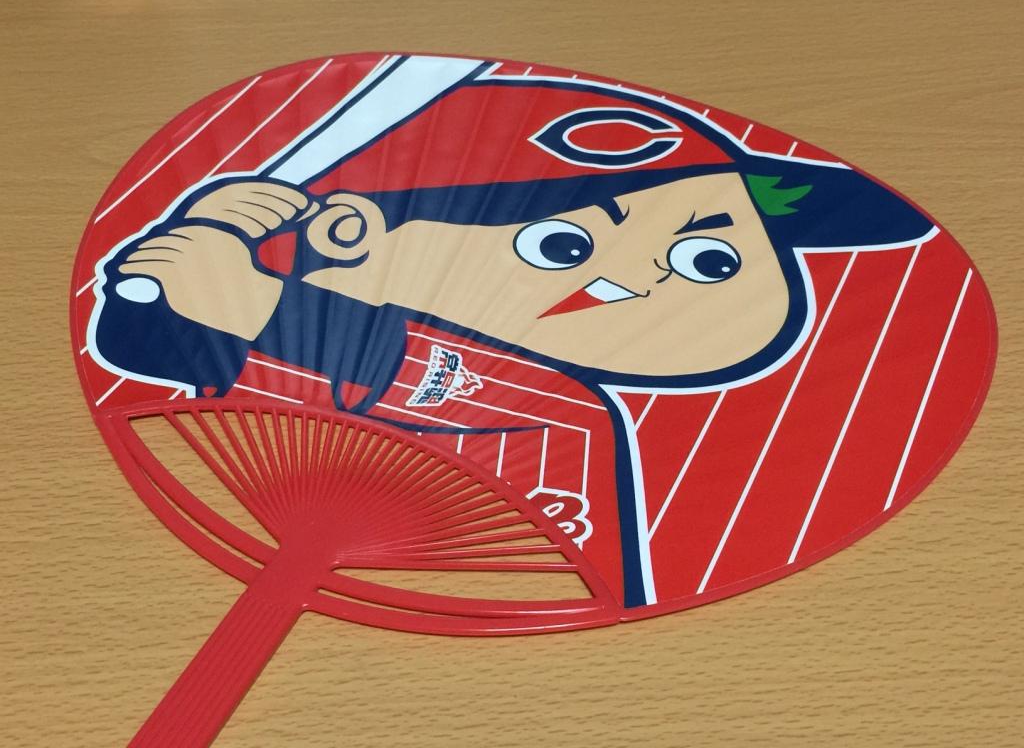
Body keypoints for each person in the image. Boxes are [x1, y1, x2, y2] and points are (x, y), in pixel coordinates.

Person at [91, 76, 933, 607]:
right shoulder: (288, 340)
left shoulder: (567, 415)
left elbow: (454, 378)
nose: (639, 282)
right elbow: (156, 358)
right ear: (351, 235)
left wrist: (259, 303)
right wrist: (177, 280)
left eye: (713, 260)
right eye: (561, 244)